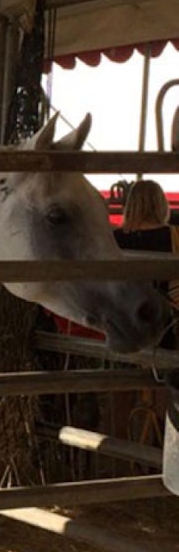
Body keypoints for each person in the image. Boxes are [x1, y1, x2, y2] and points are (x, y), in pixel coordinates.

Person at [111, 179, 177, 452]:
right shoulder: (173, 236)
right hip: (166, 323)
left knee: (119, 385)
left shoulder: (115, 240)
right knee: (166, 385)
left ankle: (118, 448)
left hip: (122, 322)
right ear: (160, 203)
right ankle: (161, 446)